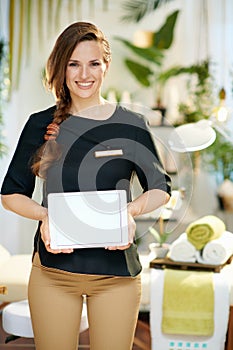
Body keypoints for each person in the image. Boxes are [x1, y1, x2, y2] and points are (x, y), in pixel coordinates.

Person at [1, 21, 171, 350]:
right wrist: (46, 216)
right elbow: (11, 195)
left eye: (93, 63)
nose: (84, 74)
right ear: (61, 68)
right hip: (54, 274)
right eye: (73, 64)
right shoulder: (41, 124)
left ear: (106, 65)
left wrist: (131, 210)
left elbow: (160, 188)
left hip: (116, 276)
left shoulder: (131, 124)